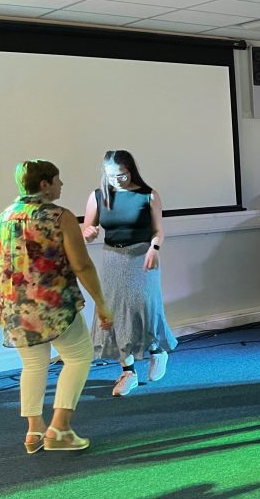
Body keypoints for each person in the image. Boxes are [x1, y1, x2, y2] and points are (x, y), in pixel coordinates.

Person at [0, 160, 113, 452]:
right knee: (79, 357)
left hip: (15, 308)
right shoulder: (60, 216)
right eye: (58, 180)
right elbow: (81, 265)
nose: (61, 185)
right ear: (45, 185)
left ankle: (34, 431)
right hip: (54, 306)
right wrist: (101, 302)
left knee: (33, 365)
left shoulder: (5, 216)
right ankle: (60, 428)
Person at [83, 150, 176, 398]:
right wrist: (88, 232)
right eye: (111, 175)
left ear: (131, 171)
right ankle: (128, 372)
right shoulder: (98, 196)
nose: (116, 180)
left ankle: (157, 350)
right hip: (113, 257)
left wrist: (155, 248)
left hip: (142, 255)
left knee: (144, 306)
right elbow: (88, 228)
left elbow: (158, 231)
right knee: (114, 312)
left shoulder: (148, 195)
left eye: (121, 175)